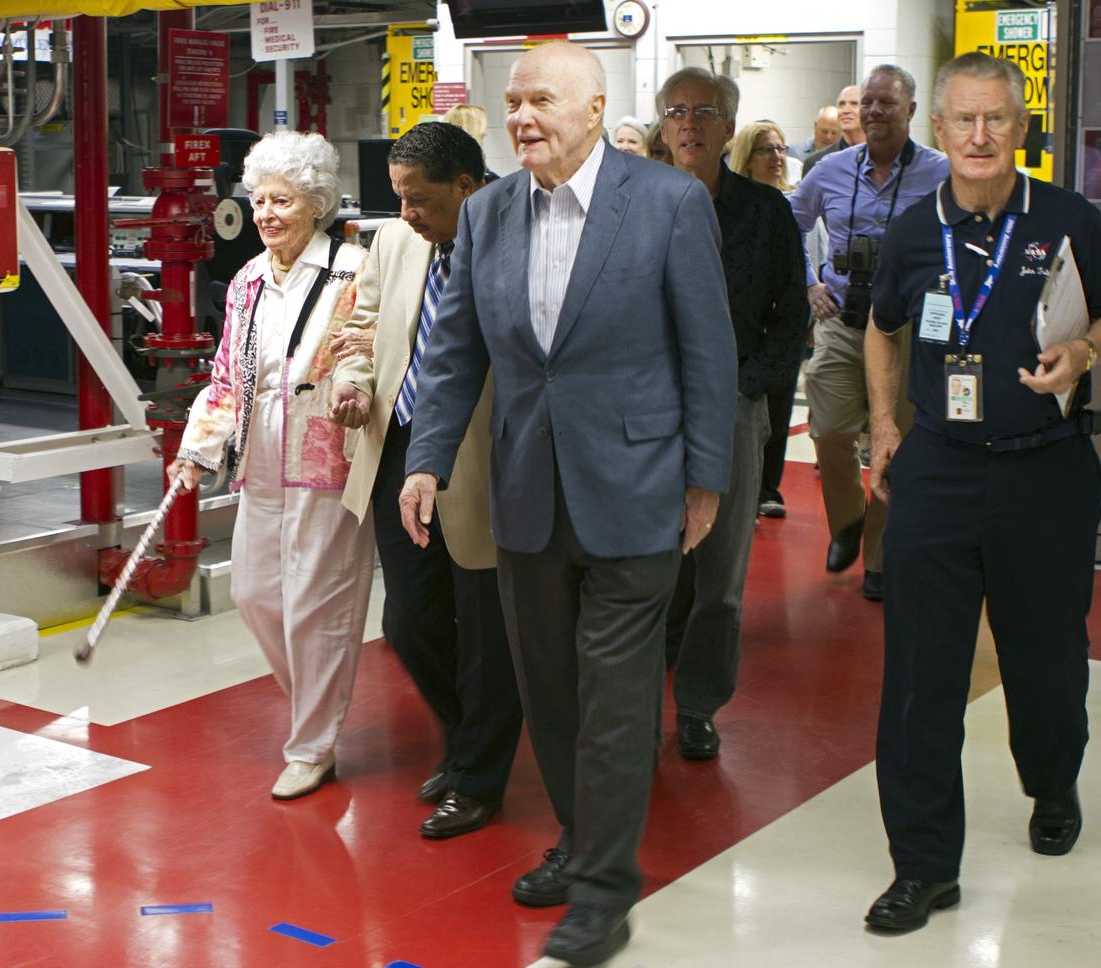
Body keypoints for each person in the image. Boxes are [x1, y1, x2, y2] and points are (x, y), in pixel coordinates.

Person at [399, 42, 734, 967]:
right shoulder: (489, 215)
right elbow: (455, 350)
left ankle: (601, 898)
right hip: (526, 493)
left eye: (541, 99)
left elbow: (708, 349)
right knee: (549, 693)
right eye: (512, 102)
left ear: (593, 109)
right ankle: (584, 841)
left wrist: (706, 476)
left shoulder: (667, 203)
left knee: (618, 700)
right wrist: (426, 461)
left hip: (637, 487)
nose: (522, 118)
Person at [863, 51, 1101, 933]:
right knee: (919, 674)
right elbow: (881, 329)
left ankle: (1053, 784)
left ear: (1022, 131)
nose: (981, 136)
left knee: (1045, 658)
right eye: (964, 121)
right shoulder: (910, 231)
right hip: (939, 467)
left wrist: (1086, 352)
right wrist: (886, 426)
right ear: (938, 130)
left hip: (1047, 466)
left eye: (998, 121)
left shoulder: (1068, 218)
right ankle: (924, 866)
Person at [329, 122, 523, 840]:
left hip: (482, 460)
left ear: (467, 189)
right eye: (398, 198)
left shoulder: (518, 236)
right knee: (409, 621)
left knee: (486, 628)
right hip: (398, 450)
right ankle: (472, 735)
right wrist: (352, 382)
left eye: (419, 200)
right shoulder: (394, 241)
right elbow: (363, 329)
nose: (406, 214)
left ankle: (476, 778)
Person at [169, 131, 374, 801]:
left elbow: (361, 351)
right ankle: (319, 705)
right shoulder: (249, 280)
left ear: (313, 203)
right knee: (254, 594)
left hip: (327, 459)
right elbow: (228, 375)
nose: (266, 214)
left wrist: (352, 388)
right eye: (258, 201)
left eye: (281, 200)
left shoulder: (353, 271)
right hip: (259, 457)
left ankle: (312, 744)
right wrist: (197, 449)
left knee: (318, 606)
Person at [661, 85, 806, 760]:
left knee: (720, 572)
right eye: (676, 113)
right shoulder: (635, 201)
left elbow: (791, 316)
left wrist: (749, 390)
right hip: (646, 408)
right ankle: (634, 697)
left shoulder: (766, 211)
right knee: (642, 565)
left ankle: (698, 704)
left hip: (735, 406)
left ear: (728, 128)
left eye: (704, 113)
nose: (690, 125)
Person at [788, 65, 949, 601]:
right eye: (868, 102)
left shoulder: (940, 172)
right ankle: (847, 523)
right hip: (841, 317)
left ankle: (878, 558)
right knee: (829, 430)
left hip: (906, 327)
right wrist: (810, 282)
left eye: (887, 102)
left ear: (910, 111)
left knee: (893, 444)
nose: (875, 111)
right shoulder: (829, 170)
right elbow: (792, 225)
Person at [729, 121, 810, 518]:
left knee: (778, 411)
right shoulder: (735, 208)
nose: (777, 157)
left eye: (781, 149)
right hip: (745, 340)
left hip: (781, 332)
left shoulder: (788, 203)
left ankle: (766, 486)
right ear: (747, 156)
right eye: (767, 150)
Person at [802, 83, 866, 177]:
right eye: (841, 104)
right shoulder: (816, 162)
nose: (846, 110)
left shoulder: (885, 158)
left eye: (854, 104)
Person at [442, 103, 500, 183]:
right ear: (471, 128)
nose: (485, 132)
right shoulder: (477, 175)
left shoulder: (438, 166)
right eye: (481, 126)